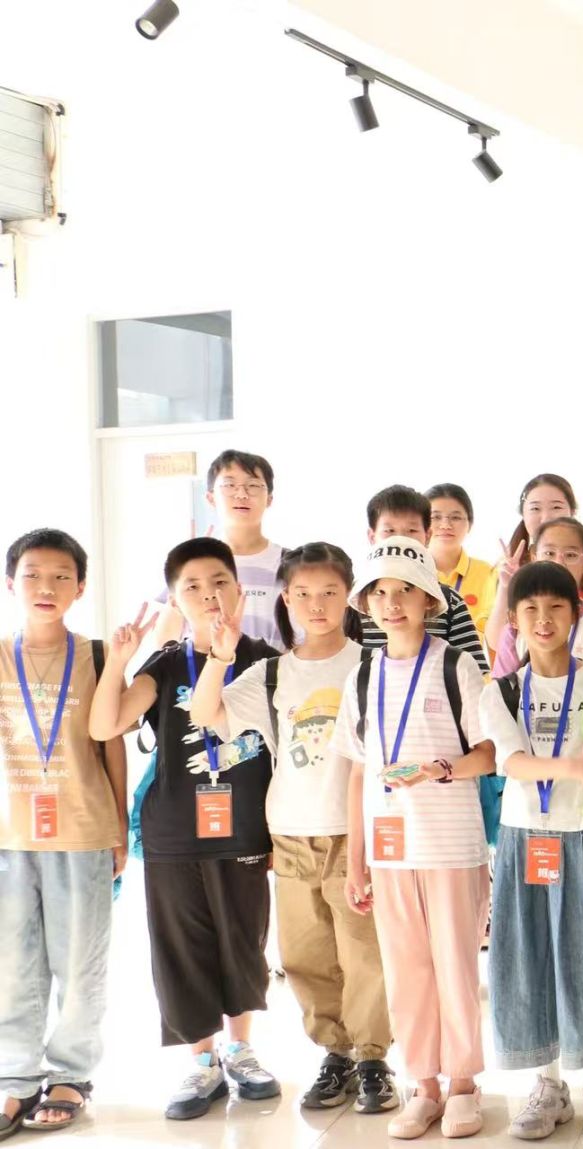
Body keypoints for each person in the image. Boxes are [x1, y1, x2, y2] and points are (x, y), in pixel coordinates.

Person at [188, 542, 398, 1115]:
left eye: (329, 591)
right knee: (305, 953)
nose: (316, 604)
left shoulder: (373, 665)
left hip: (356, 832)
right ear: (285, 599)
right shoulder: (272, 672)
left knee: (364, 952)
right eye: (302, 593)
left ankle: (373, 1058)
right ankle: (336, 1054)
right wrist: (219, 656)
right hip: (290, 830)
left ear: (350, 597)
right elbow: (205, 714)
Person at [88, 536, 281, 1121]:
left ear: (238, 589)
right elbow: (105, 726)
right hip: (174, 830)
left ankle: (241, 1050)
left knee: (243, 940)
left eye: (219, 582)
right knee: (181, 947)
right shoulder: (167, 663)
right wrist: (119, 660)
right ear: (175, 598)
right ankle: (202, 1061)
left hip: (244, 827)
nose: (208, 594)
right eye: (192, 586)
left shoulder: (266, 659)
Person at [334, 537, 499, 1139]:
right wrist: (356, 863)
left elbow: (491, 754)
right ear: (366, 603)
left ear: (430, 600)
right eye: (380, 592)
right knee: (406, 973)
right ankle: (423, 1085)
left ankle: (463, 1084)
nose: (392, 602)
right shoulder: (362, 676)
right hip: (390, 853)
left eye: (406, 590)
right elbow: (359, 772)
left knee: (455, 968)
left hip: (451, 849)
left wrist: (441, 769)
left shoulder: (455, 666)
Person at [478, 561, 583, 1142]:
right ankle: (546, 1085)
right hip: (524, 839)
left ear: (576, 615)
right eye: (530, 609)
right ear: (513, 620)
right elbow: (512, 763)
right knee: (528, 958)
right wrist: (573, 767)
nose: (544, 619)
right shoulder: (501, 690)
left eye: (556, 607)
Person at [0, 530, 127, 1134]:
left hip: (81, 829)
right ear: (10, 583)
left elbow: (111, 744)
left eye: (60, 576)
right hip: (9, 834)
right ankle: (14, 1079)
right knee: (11, 966)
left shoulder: (97, 656)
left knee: (80, 964)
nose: (45, 587)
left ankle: (71, 1074)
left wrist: (120, 825)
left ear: (80, 587)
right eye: (32, 574)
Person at [146, 449, 290, 648]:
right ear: (211, 498)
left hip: (270, 667)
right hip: (205, 668)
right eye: (229, 485)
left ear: (269, 499)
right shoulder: (189, 562)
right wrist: (187, 563)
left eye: (253, 485)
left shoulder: (290, 564)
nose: (242, 494)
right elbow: (164, 642)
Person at [358, 486, 490, 673]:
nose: (401, 540)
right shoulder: (356, 598)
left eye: (412, 530)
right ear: (372, 537)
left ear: (427, 536)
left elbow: (475, 673)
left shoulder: (449, 600)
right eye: (389, 530)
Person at [489, 516, 583, 676]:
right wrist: (505, 587)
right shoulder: (515, 630)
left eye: (570, 555)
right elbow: (502, 688)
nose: (559, 563)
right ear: (534, 557)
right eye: (549, 553)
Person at [490, 475, 583, 637]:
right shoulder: (504, 573)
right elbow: (497, 643)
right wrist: (505, 588)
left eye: (556, 507)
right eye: (535, 508)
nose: (546, 517)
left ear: (572, 512)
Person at [427, 483, 498, 639]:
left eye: (455, 517)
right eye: (435, 517)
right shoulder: (410, 572)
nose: (445, 525)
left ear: (470, 524)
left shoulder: (487, 573)